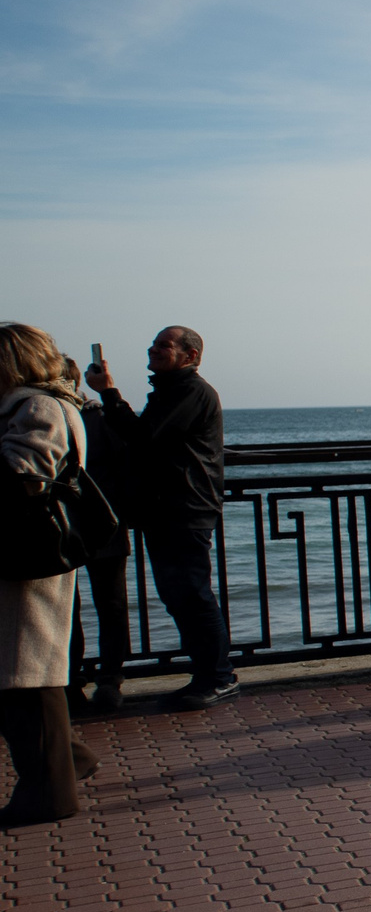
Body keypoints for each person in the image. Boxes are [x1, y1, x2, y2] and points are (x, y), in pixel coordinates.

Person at [85, 327, 232, 709]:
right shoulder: (171, 390)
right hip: (167, 509)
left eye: (164, 345)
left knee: (193, 595)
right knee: (180, 597)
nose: (153, 350)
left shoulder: (190, 391)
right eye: (153, 344)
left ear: (191, 355)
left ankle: (218, 676)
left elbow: (143, 435)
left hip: (185, 509)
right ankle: (205, 675)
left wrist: (109, 394)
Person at [1, 325, 102, 827]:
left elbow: (24, 475)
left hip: (28, 555)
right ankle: (68, 761)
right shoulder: (42, 404)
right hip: (29, 553)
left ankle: (50, 792)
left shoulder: (36, 407)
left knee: (27, 674)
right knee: (22, 672)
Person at [65, 356, 135, 717]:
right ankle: (109, 680)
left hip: (69, 525)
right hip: (104, 521)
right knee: (110, 606)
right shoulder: (97, 416)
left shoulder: (63, 414)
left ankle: (74, 681)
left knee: (67, 610)